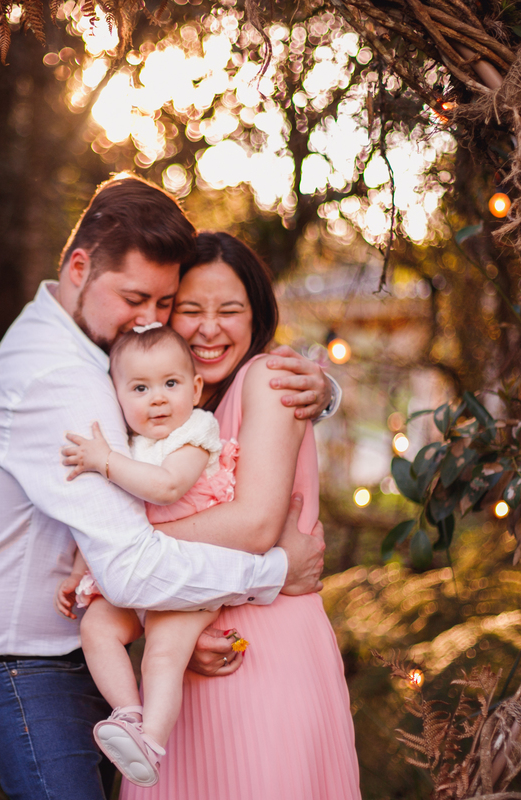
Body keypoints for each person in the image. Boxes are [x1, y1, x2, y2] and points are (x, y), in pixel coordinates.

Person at [0, 176, 336, 800]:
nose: (150, 320)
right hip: (30, 667)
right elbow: (129, 567)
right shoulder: (62, 376)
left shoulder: (103, 347)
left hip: (107, 649)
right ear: (79, 267)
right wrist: (275, 568)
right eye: (138, 298)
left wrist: (324, 391)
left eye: (162, 302)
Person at [120, 231, 360, 800]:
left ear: (257, 317)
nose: (209, 329)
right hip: (185, 665)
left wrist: (125, 543)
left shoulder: (270, 378)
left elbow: (254, 526)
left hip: (266, 656)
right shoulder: (172, 408)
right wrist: (161, 622)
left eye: (230, 310)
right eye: (190, 310)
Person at [55, 324, 242, 787]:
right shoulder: (128, 443)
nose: (157, 399)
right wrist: (79, 572)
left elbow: (167, 487)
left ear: (196, 388)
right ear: (116, 395)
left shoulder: (195, 431)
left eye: (171, 384)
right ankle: (130, 716)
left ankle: (151, 742)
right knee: (95, 627)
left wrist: (105, 462)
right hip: (139, 573)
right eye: (140, 388)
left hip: (191, 571)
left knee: (162, 649)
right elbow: (105, 523)